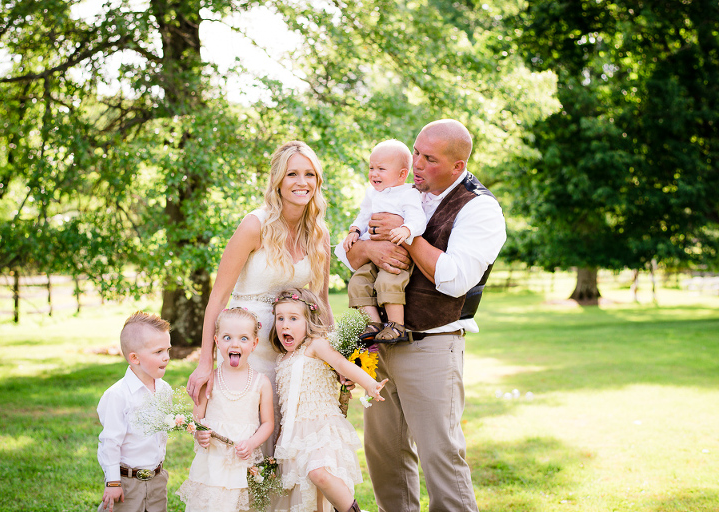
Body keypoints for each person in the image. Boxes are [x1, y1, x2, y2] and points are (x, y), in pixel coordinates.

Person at [334, 119, 507, 512]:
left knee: (440, 458)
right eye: (415, 152)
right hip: (379, 344)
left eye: (429, 159)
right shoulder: (398, 190)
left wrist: (406, 235)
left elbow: (454, 279)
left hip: (432, 345)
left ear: (457, 165)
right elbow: (348, 255)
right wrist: (372, 249)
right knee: (384, 457)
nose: (416, 164)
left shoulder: (480, 208)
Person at [186, 140, 333, 456]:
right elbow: (218, 298)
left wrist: (336, 360)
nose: (302, 182)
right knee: (243, 447)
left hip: (292, 358)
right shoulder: (255, 225)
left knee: (285, 447)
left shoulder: (319, 234)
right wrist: (205, 361)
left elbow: (321, 303)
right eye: (292, 174)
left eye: (309, 174)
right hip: (246, 354)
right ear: (277, 180)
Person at [270, 288, 388, 512]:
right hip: (294, 435)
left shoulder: (315, 345)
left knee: (319, 473)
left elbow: (341, 364)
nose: (285, 325)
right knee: (310, 498)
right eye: (280, 318)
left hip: (322, 426)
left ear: (309, 321)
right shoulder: (281, 359)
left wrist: (369, 384)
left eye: (293, 318)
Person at [177, 307, 274, 512]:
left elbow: (268, 423)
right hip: (211, 461)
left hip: (240, 461)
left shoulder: (261, 383)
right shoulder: (209, 380)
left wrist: (252, 443)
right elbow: (197, 418)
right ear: (217, 341)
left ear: (255, 343)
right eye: (227, 337)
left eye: (243, 338)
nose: (235, 344)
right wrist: (199, 433)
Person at [342, 139, 426, 342]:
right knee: (358, 282)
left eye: (381, 169)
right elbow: (364, 216)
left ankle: (397, 326)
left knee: (388, 282)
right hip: (372, 255)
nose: (374, 174)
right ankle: (374, 324)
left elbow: (418, 220)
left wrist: (406, 229)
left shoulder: (409, 193)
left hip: (395, 253)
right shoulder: (372, 193)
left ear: (401, 174)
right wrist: (355, 230)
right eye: (371, 168)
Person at [97, 311, 173, 512]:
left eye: (168, 349)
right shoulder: (118, 395)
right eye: (158, 352)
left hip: (157, 478)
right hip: (127, 482)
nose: (166, 357)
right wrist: (113, 482)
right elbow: (110, 442)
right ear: (135, 358)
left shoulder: (165, 390)